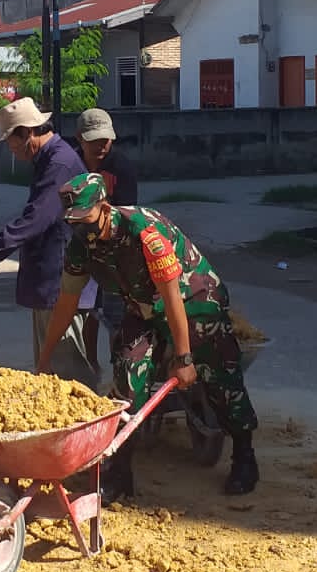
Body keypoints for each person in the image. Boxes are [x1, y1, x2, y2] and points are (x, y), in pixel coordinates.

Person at [37, 172, 259, 499]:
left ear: (104, 208)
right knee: (128, 372)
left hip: (193, 299)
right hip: (144, 305)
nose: (80, 228)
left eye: (85, 219)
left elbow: (172, 297)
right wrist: (46, 356)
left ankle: (244, 457)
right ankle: (119, 473)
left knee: (219, 375)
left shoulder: (144, 232)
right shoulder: (81, 245)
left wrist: (184, 357)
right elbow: (67, 301)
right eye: (73, 222)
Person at [0, 98, 98, 387]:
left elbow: (36, 220)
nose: (10, 148)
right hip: (53, 279)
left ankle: (88, 416)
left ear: (27, 133)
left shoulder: (58, 163)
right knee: (51, 372)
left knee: (67, 376)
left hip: (61, 282)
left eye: (10, 140)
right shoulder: (50, 159)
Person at [75, 108, 139, 368]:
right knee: (87, 311)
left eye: (106, 139)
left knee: (116, 317)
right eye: (94, 140)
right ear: (80, 138)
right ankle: (90, 366)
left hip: (115, 253)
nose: (101, 145)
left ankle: (119, 370)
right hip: (81, 247)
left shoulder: (122, 168)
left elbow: (128, 216)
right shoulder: (72, 166)